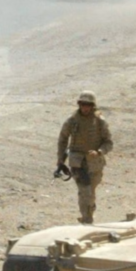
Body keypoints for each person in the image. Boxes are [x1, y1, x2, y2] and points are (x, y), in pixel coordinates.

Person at [57, 91, 113, 224]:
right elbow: (63, 139)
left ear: (93, 106)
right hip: (78, 162)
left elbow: (108, 143)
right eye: (82, 104)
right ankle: (87, 220)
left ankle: (88, 213)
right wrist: (60, 159)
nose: (85, 108)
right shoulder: (72, 121)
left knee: (90, 192)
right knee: (85, 192)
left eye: (88, 105)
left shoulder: (100, 121)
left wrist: (99, 152)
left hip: (95, 163)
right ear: (79, 105)